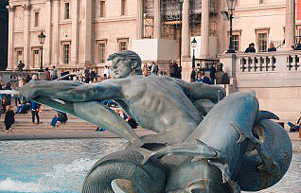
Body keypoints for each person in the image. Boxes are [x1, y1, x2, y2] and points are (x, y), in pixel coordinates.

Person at [20, 50, 225, 142]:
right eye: (112, 65)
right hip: (204, 134)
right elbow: (215, 92)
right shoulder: (168, 80)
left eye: (118, 63)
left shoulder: (123, 85)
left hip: (178, 140)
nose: (114, 69)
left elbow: (81, 91)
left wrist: (41, 86)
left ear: (134, 65)